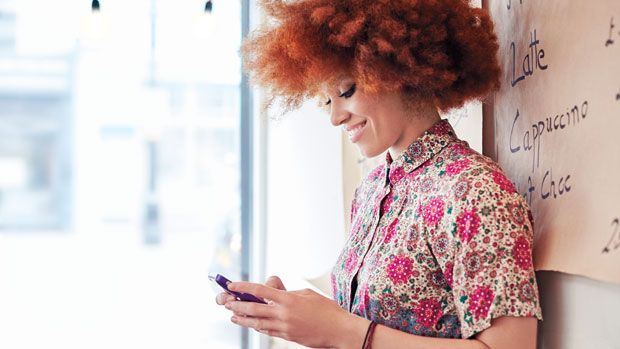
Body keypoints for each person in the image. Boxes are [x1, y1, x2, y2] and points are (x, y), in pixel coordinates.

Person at [216, 0, 543, 347]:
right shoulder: (372, 189)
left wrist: (338, 330)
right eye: (328, 101)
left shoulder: (476, 191)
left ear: (398, 68)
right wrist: (299, 315)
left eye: (345, 92)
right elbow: (369, 324)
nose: (335, 117)